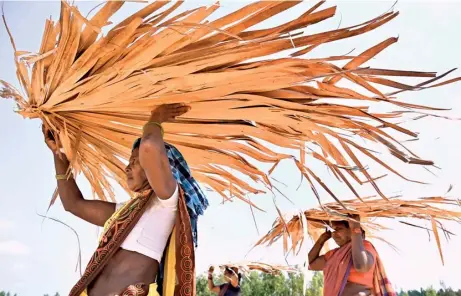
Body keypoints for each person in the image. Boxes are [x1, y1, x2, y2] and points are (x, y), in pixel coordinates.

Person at [42, 103, 208, 296]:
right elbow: (73, 204)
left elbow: (149, 146)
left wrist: (155, 118)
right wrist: (58, 153)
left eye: (135, 162)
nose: (127, 168)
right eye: (129, 162)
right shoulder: (125, 213)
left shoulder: (168, 203)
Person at [308, 215, 395, 296]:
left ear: (350, 229)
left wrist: (356, 230)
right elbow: (310, 264)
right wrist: (321, 240)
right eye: (333, 230)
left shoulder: (365, 246)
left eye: (338, 229)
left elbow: (361, 266)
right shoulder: (334, 254)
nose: (334, 234)